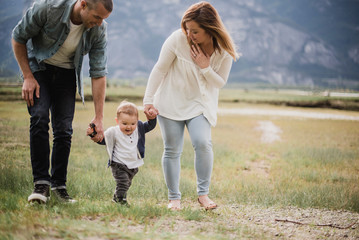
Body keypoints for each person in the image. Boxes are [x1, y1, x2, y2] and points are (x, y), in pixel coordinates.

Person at [11, 0, 113, 203]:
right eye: (97, 17)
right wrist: (28, 77)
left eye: (104, 19)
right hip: (38, 67)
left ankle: (59, 186)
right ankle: (41, 184)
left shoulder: (99, 30)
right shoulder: (48, 7)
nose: (100, 23)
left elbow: (98, 72)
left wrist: (99, 117)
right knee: (39, 117)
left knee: (64, 129)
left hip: (67, 73)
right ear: (83, 5)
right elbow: (18, 37)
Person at [143, 1, 239, 210]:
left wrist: (205, 67)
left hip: (200, 104)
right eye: (187, 29)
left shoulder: (223, 50)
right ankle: (174, 198)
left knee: (203, 142)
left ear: (210, 29)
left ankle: (203, 195)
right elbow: (159, 69)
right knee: (172, 150)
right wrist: (148, 100)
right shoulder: (177, 39)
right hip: (170, 102)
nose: (189, 34)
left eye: (195, 31)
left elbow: (220, 82)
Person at [87, 101, 157, 206]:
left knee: (127, 183)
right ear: (117, 121)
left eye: (133, 124)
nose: (129, 127)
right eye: (124, 124)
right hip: (118, 164)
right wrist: (93, 134)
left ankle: (117, 197)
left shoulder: (139, 128)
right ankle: (120, 200)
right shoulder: (113, 132)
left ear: (137, 121)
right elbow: (103, 140)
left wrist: (152, 118)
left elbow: (150, 126)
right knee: (123, 183)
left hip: (133, 164)